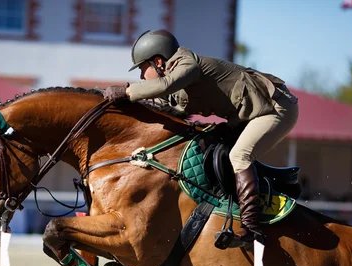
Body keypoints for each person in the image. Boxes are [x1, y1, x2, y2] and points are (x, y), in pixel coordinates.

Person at [103, 29, 299, 246]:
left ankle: (251, 228)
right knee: (206, 143)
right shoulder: (177, 86)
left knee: (240, 155)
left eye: (142, 68)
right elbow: (160, 106)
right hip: (248, 116)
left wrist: (128, 92)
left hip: (275, 109)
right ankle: (236, 201)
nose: (141, 77)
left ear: (158, 61)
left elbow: (164, 85)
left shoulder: (187, 63)